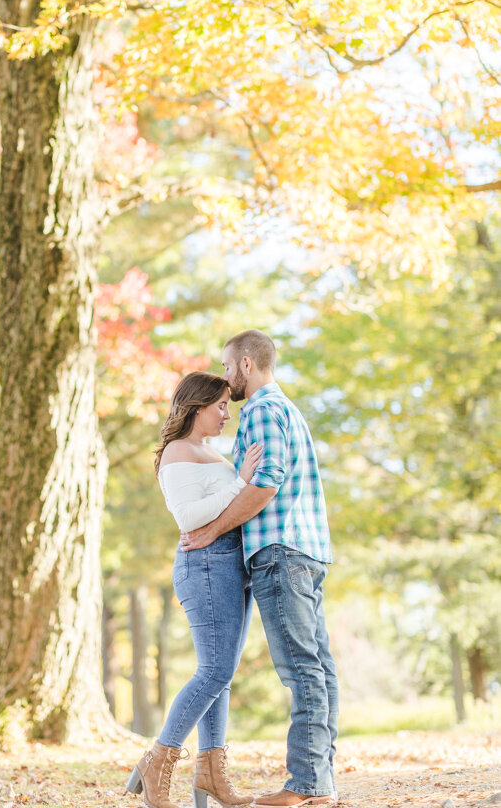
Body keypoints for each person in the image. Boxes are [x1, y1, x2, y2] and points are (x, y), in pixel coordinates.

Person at [182, 331, 339, 808]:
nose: (226, 382)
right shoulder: (287, 410)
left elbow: (266, 483)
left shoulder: (261, 410)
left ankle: (306, 785)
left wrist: (212, 530)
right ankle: (321, 783)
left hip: (280, 552)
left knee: (301, 670)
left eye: (228, 369)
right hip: (305, 553)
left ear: (247, 365)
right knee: (319, 669)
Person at [126, 371, 263, 808]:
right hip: (203, 566)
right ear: (196, 407)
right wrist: (241, 482)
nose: (227, 414)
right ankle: (157, 761)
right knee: (214, 673)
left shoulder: (206, 451)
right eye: (220, 406)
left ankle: (211, 773)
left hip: (226, 567)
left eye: (228, 406)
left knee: (221, 677)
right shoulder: (178, 451)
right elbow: (188, 516)